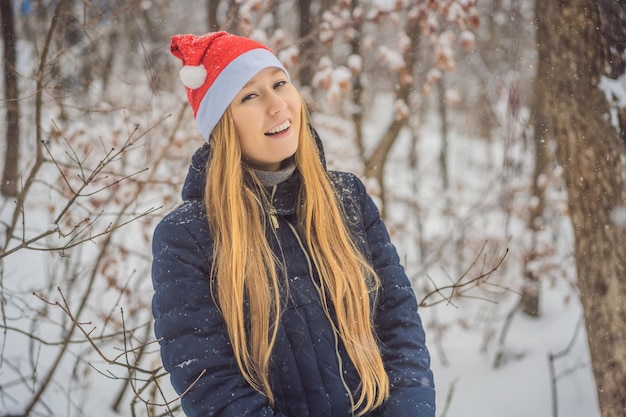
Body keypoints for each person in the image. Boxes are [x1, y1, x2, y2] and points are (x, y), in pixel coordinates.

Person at [151, 31, 435, 417]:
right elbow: (212, 386)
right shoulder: (188, 237)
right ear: (222, 124)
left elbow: (400, 325)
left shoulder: (347, 197)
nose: (276, 105)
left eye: (280, 84)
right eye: (249, 95)